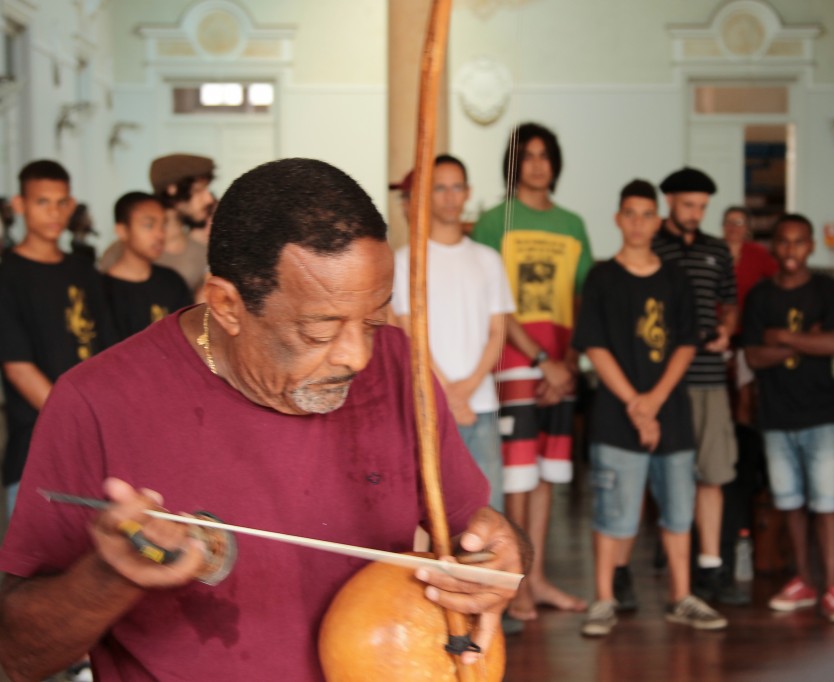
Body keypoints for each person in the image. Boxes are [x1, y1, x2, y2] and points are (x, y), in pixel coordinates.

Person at [0, 158, 525, 681]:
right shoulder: (95, 403)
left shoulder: (398, 367)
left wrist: (499, 557)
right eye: (320, 332)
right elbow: (15, 654)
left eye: (373, 320)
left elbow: (478, 533)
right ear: (227, 305)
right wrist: (107, 577)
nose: (358, 356)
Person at [576, 180, 725, 637]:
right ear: (618, 219)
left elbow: (686, 343)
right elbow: (594, 347)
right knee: (613, 514)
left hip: (671, 413)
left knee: (679, 514)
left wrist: (654, 402)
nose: (638, 223)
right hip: (616, 416)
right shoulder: (601, 276)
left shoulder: (675, 278)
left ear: (658, 221)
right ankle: (603, 599)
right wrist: (636, 405)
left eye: (647, 214)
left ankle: (682, 597)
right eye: (630, 214)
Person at [472, 122, 592, 620]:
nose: (538, 164)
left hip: (561, 367)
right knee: (517, 477)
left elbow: (582, 299)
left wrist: (566, 362)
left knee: (546, 476)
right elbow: (493, 304)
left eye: (546, 155)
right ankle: (513, 582)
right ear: (514, 163)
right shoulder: (492, 222)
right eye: (530, 155)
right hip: (515, 362)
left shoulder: (573, 224)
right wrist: (543, 360)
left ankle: (537, 580)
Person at [742, 214, 834, 623]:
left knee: (826, 504)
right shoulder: (759, 297)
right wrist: (811, 340)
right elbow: (754, 356)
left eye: (800, 242)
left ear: (812, 246)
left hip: (821, 413)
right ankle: (805, 580)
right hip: (775, 416)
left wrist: (784, 338)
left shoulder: (827, 289)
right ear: (774, 246)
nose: (791, 250)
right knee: (789, 502)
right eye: (784, 242)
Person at [392, 154, 515, 512]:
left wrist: (469, 387)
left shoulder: (488, 259)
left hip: (482, 405)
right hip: (431, 406)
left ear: (468, 193)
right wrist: (448, 394)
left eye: (456, 187)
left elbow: (497, 332)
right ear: (426, 195)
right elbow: (408, 334)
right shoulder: (405, 260)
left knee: (489, 512)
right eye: (439, 188)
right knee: (434, 513)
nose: (449, 196)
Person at [0, 160, 115, 519]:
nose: (54, 212)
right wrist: (80, 422)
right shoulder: (8, 274)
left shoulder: (83, 270)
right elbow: (19, 368)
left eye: (61, 202)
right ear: (20, 205)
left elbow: (109, 351)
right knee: (36, 570)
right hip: (36, 449)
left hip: (98, 451)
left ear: (71, 204)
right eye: (42, 202)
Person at [649, 166, 742, 606]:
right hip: (663, 379)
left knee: (713, 473)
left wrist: (726, 331)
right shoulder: (651, 245)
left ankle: (710, 565)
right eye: (688, 205)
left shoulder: (717, 249)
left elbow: (730, 303)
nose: (695, 214)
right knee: (669, 475)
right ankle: (672, 555)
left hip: (707, 377)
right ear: (668, 201)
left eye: (703, 207)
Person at [100, 154, 215, 294]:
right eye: (199, 190)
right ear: (173, 189)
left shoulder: (201, 253)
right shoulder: (121, 252)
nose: (208, 199)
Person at [102, 191, 194, 341]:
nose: (159, 234)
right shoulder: (102, 291)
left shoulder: (172, 281)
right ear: (122, 230)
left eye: (163, 225)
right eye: (149, 225)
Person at [722, 205, 777, 425]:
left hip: (747, 332)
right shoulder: (714, 252)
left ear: (747, 228)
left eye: (739, 223)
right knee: (722, 393)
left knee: (745, 392)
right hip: (719, 331)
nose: (733, 228)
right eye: (729, 222)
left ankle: (744, 447)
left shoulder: (757, 253)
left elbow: (778, 280)